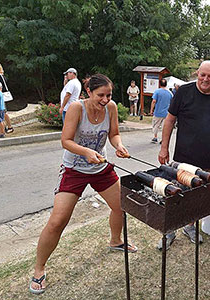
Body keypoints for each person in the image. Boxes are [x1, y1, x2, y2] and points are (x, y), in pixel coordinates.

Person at [29, 74, 137, 295]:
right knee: (58, 221)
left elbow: (114, 134)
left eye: (109, 95)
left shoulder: (112, 107)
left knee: (121, 207)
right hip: (74, 170)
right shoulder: (77, 108)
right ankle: (39, 269)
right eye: (101, 95)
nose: (105, 99)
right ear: (89, 92)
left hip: (101, 167)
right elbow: (66, 141)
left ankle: (116, 241)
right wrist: (86, 151)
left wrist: (119, 146)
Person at [157, 60, 210, 250]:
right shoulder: (183, 92)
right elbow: (170, 120)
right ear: (197, 73)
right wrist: (164, 147)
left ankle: (190, 227)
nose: (205, 79)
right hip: (184, 157)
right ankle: (169, 231)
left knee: (200, 197)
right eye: (202, 75)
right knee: (176, 195)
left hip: (209, 158)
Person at [0, 62, 14, 133]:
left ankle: (9, 127)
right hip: (2, 95)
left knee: (4, 112)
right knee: (3, 112)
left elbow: (0, 86)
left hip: (1, 96)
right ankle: (2, 127)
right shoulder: (1, 75)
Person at [149, 78, 172, 143]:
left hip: (158, 112)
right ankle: (163, 139)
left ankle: (155, 137)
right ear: (166, 84)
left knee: (156, 125)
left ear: (159, 84)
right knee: (164, 127)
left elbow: (154, 101)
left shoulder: (157, 91)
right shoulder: (170, 93)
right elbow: (172, 102)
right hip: (166, 113)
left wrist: (151, 110)